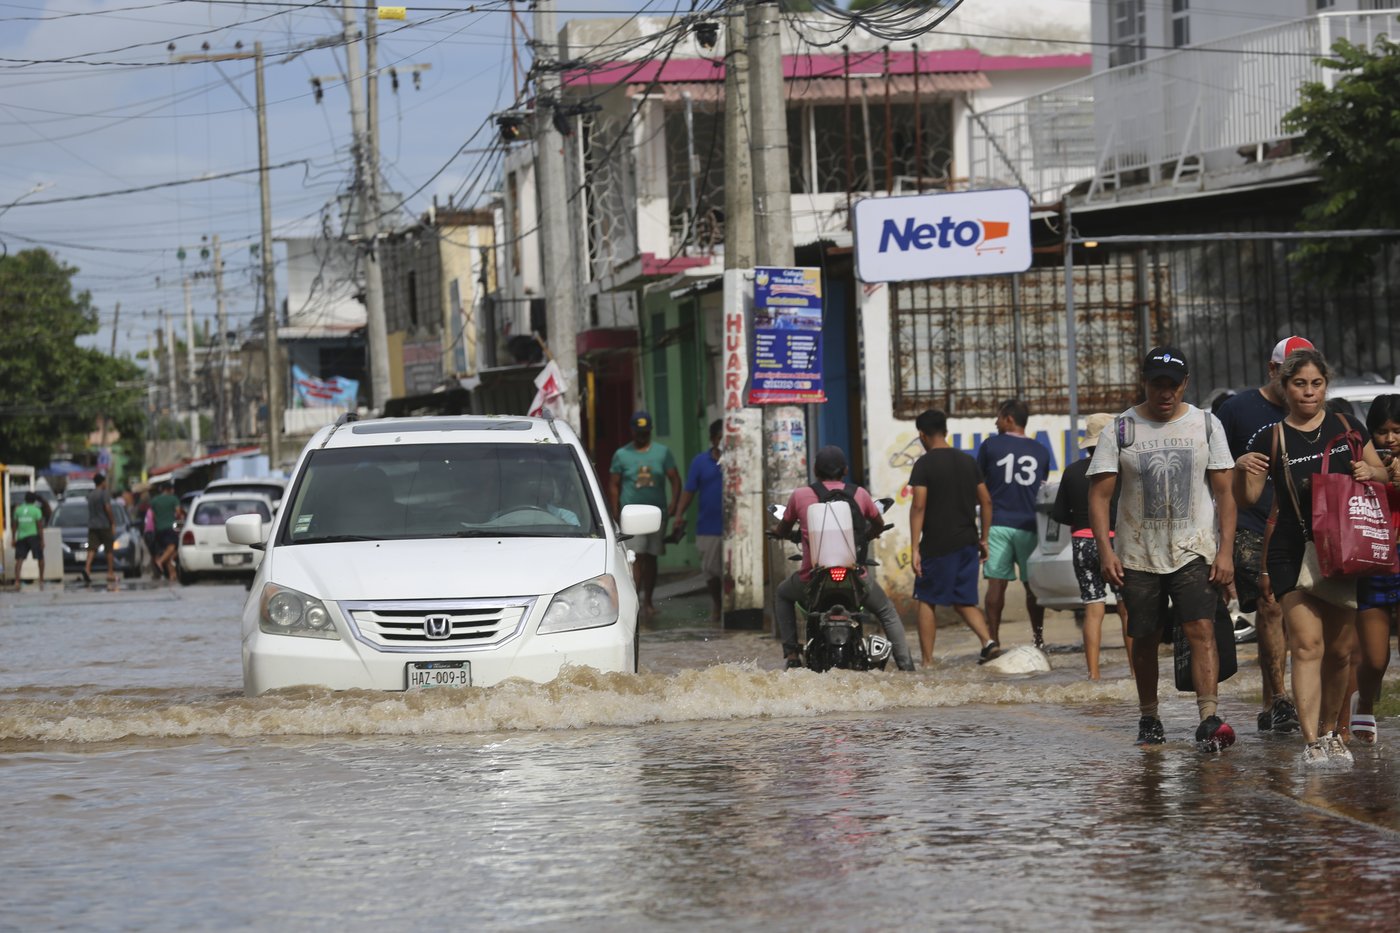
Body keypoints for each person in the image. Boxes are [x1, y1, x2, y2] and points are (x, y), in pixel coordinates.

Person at [1236, 347, 1388, 766]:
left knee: (1340, 651)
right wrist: (1241, 470)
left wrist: (1368, 472)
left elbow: (1382, 473)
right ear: (1284, 388)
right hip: (1290, 549)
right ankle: (1313, 742)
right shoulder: (1270, 437)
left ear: (1326, 386)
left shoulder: (1347, 426)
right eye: (1299, 384)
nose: (1308, 392)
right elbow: (1248, 498)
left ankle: (1330, 731)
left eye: (1316, 384)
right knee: (1307, 645)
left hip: (1341, 549)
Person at [1090, 347, 1238, 751]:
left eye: (1173, 385)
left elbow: (1226, 493)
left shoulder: (1206, 425)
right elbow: (1100, 497)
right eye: (1158, 384)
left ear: (1185, 385)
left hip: (1194, 548)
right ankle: (1149, 716)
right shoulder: (1120, 429)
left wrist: (1225, 552)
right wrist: (1106, 551)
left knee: (1200, 630)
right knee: (1145, 636)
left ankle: (1208, 717)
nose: (1165, 393)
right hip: (1138, 553)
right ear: (1145, 382)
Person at [1214, 335, 1312, 734]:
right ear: (1273, 371)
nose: (1301, 385)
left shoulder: (1314, 411)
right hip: (1254, 524)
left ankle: (1297, 697)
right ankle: (1278, 699)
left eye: (1307, 377)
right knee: (1270, 607)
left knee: (1303, 615)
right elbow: (1215, 470)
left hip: (1306, 525)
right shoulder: (1237, 410)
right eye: (1291, 375)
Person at [772, 445, 916, 671]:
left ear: (815, 470)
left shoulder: (800, 495)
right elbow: (877, 524)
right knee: (886, 611)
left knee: (782, 594)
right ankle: (906, 667)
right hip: (854, 575)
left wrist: (781, 533)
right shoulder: (860, 494)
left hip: (812, 577)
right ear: (845, 470)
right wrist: (869, 535)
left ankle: (791, 654)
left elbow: (783, 527)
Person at [907, 410, 1000, 666]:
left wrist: (915, 547)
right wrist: (984, 538)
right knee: (963, 599)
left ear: (922, 435)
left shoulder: (924, 464)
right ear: (945, 431)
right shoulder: (968, 462)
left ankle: (927, 662)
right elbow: (987, 501)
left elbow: (918, 506)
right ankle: (988, 642)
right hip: (967, 542)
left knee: (926, 598)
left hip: (937, 544)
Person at [1051, 412, 1129, 680]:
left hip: (1082, 543)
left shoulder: (1072, 471)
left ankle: (1093, 674)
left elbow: (1059, 514)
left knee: (1093, 609)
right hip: (1116, 542)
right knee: (1125, 607)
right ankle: (1134, 671)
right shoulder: (1123, 467)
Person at [977, 398, 1050, 648]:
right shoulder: (1041, 451)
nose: (995, 422)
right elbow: (1041, 487)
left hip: (997, 524)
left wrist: (981, 533)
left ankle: (993, 640)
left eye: (998, 417)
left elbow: (980, 486)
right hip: (1030, 525)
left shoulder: (989, 446)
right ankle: (1038, 640)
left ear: (1008, 419)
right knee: (1033, 587)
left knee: (996, 584)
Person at [1348, 393, 1400, 745]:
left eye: (1398, 431)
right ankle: (1363, 700)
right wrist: (1375, 474)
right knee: (1375, 658)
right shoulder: (1362, 461)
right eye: (1382, 432)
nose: (1391, 439)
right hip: (1375, 561)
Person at [609, 410, 681, 617]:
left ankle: (648, 601)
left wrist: (674, 503)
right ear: (632, 431)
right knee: (637, 557)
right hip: (632, 515)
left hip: (657, 515)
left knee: (651, 558)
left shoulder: (662, 453)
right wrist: (615, 509)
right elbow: (614, 484)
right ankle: (636, 601)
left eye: (645, 432)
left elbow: (675, 479)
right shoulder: (621, 455)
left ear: (650, 431)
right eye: (638, 431)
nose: (641, 435)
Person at [671, 419, 724, 622]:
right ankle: (717, 606)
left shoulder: (739, 460)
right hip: (708, 526)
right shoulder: (700, 462)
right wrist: (679, 515)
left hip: (734, 527)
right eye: (720, 438)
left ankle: (727, 606)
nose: (723, 442)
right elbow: (689, 491)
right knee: (710, 571)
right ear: (712, 439)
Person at [83, 473, 117, 586]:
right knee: (109, 549)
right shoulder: (104, 493)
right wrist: (112, 522)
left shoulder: (90, 495)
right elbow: (107, 508)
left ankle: (87, 569)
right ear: (102, 482)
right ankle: (110, 573)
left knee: (92, 549)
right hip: (104, 525)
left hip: (92, 525)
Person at [11, 492, 47, 590]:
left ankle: (17, 581)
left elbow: (14, 526)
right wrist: (42, 540)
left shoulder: (18, 510)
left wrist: (13, 538)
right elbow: (39, 526)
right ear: (34, 500)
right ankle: (41, 580)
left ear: (25, 499)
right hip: (34, 536)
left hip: (21, 537)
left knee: (19, 559)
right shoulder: (36, 510)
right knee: (40, 558)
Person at [149, 482, 182, 583]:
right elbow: (178, 512)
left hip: (159, 529)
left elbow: (152, 516)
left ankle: (172, 574)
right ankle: (160, 561)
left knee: (168, 551)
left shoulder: (154, 501)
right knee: (172, 547)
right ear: (169, 489)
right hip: (170, 528)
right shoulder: (173, 498)